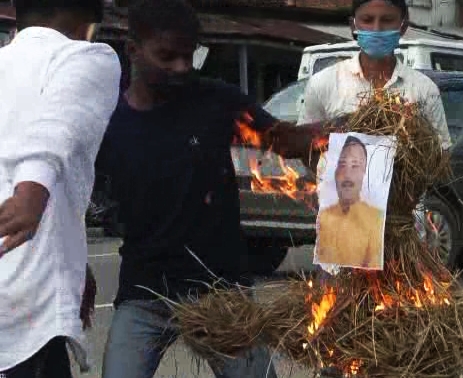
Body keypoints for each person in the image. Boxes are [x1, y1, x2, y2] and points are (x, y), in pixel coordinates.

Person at [97, 0, 326, 377]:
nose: (182, 68)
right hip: (145, 294)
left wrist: (345, 129)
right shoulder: (109, 119)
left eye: (190, 56)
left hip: (221, 291)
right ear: (133, 49)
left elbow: (285, 142)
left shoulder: (217, 101)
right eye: (167, 56)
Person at [0, 0, 121, 377]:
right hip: (24, 311)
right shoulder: (87, 58)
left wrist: (71, 260)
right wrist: (32, 187)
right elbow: (59, 120)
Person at [298, 0, 451, 267]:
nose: (377, 29)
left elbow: (441, 155)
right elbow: (305, 147)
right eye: (368, 20)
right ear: (353, 25)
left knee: (402, 305)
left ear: (403, 26)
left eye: (387, 20)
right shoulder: (325, 84)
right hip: (343, 232)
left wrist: (402, 183)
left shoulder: (422, 90)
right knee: (337, 304)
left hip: (405, 234)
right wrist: (332, 179)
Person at [316, 136, 384, 269]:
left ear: (364, 172)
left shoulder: (376, 219)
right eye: (341, 165)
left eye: (355, 166)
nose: (347, 175)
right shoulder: (325, 216)